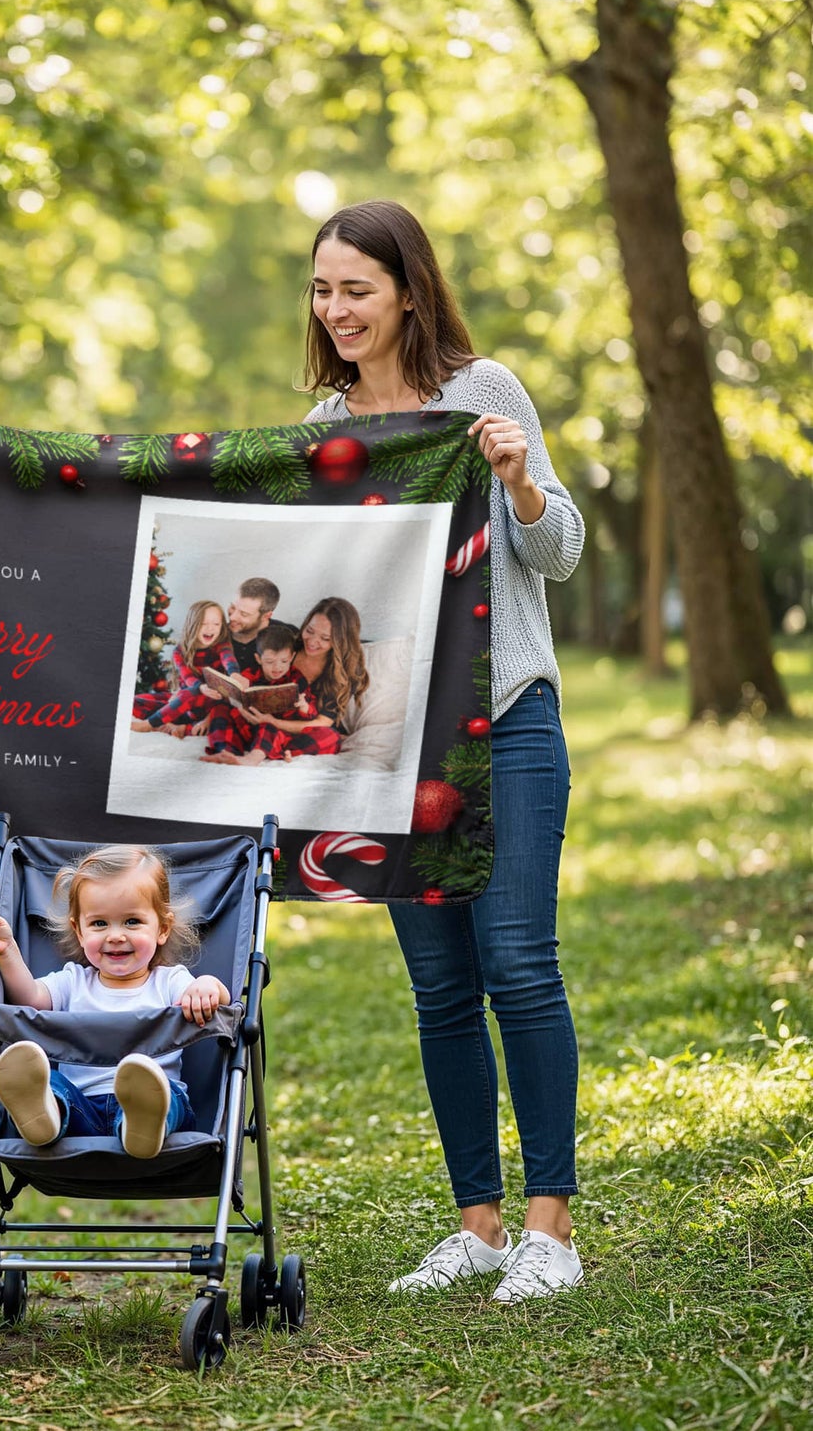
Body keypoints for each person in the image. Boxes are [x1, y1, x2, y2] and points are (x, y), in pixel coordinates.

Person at [300, 200, 586, 1302]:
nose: (336, 312)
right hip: (393, 743)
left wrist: (517, 478)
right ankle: (473, 1225)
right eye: (322, 291)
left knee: (516, 961)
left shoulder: (484, 390)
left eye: (355, 289)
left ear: (407, 290)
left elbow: (554, 549)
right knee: (437, 986)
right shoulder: (325, 430)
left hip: (505, 715)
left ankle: (547, 1229)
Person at [0, 845, 230, 1159]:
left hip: (159, 1109)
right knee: (52, 1084)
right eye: (99, 924)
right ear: (79, 931)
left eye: (132, 921)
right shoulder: (73, 981)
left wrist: (207, 985)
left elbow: (218, 999)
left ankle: (140, 1124)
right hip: (83, 1110)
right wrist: (7, 950)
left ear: (162, 928)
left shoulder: (170, 981)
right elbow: (31, 1001)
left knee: (168, 1095)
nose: (116, 935)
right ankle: (46, 1115)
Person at [239, 597, 369, 762]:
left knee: (331, 737)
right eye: (310, 631)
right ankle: (269, 748)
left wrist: (274, 722)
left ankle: (280, 750)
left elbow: (323, 722)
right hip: (262, 725)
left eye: (325, 638)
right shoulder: (287, 645)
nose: (313, 642)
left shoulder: (344, 672)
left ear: (341, 641)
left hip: (299, 732)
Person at [200, 623, 313, 764]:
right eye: (270, 661)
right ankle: (225, 752)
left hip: (274, 732)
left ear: (292, 657)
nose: (277, 667)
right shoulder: (249, 675)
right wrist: (227, 693)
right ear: (258, 659)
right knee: (219, 710)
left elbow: (311, 714)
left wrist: (305, 708)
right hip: (245, 728)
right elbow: (229, 699)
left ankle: (252, 759)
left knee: (330, 736)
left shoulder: (297, 679)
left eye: (284, 661)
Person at [130, 599, 239, 737]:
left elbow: (228, 659)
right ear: (193, 625)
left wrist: (234, 674)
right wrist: (197, 689)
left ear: (222, 626)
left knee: (189, 695)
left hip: (211, 703)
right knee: (134, 701)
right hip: (184, 702)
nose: (210, 628)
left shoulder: (222, 646)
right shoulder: (180, 651)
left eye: (216, 624)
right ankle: (167, 722)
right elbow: (188, 678)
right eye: (203, 624)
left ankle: (149, 725)